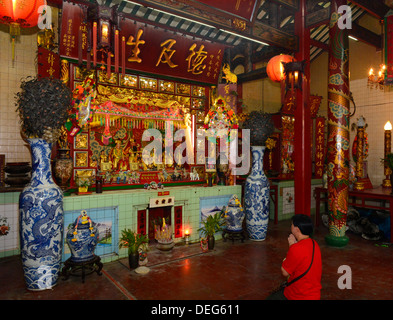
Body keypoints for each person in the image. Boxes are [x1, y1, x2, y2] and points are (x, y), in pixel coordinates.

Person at [267, 214, 322, 300]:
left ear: (297, 229)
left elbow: (285, 272)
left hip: (299, 295)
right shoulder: (315, 244)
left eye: (292, 224)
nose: (290, 226)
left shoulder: (295, 248)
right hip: (314, 294)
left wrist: (292, 246)